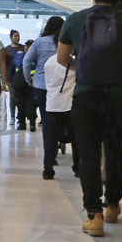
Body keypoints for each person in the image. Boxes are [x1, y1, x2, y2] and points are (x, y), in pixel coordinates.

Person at [57, 0, 122, 237]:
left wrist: (82, 68)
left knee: (88, 154)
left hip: (85, 95)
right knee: (116, 150)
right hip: (118, 96)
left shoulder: (75, 20)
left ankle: (93, 216)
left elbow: (62, 58)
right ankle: (112, 206)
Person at [23, 16, 64, 145]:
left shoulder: (39, 42)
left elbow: (26, 61)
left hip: (41, 84)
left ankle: (49, 149)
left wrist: (29, 79)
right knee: (60, 115)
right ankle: (60, 139)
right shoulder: (64, 41)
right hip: (60, 84)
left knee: (46, 118)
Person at [43, 50, 77, 179]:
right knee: (76, 138)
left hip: (52, 104)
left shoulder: (49, 62)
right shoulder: (74, 62)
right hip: (69, 104)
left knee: (50, 140)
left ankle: (48, 169)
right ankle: (78, 168)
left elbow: (47, 83)